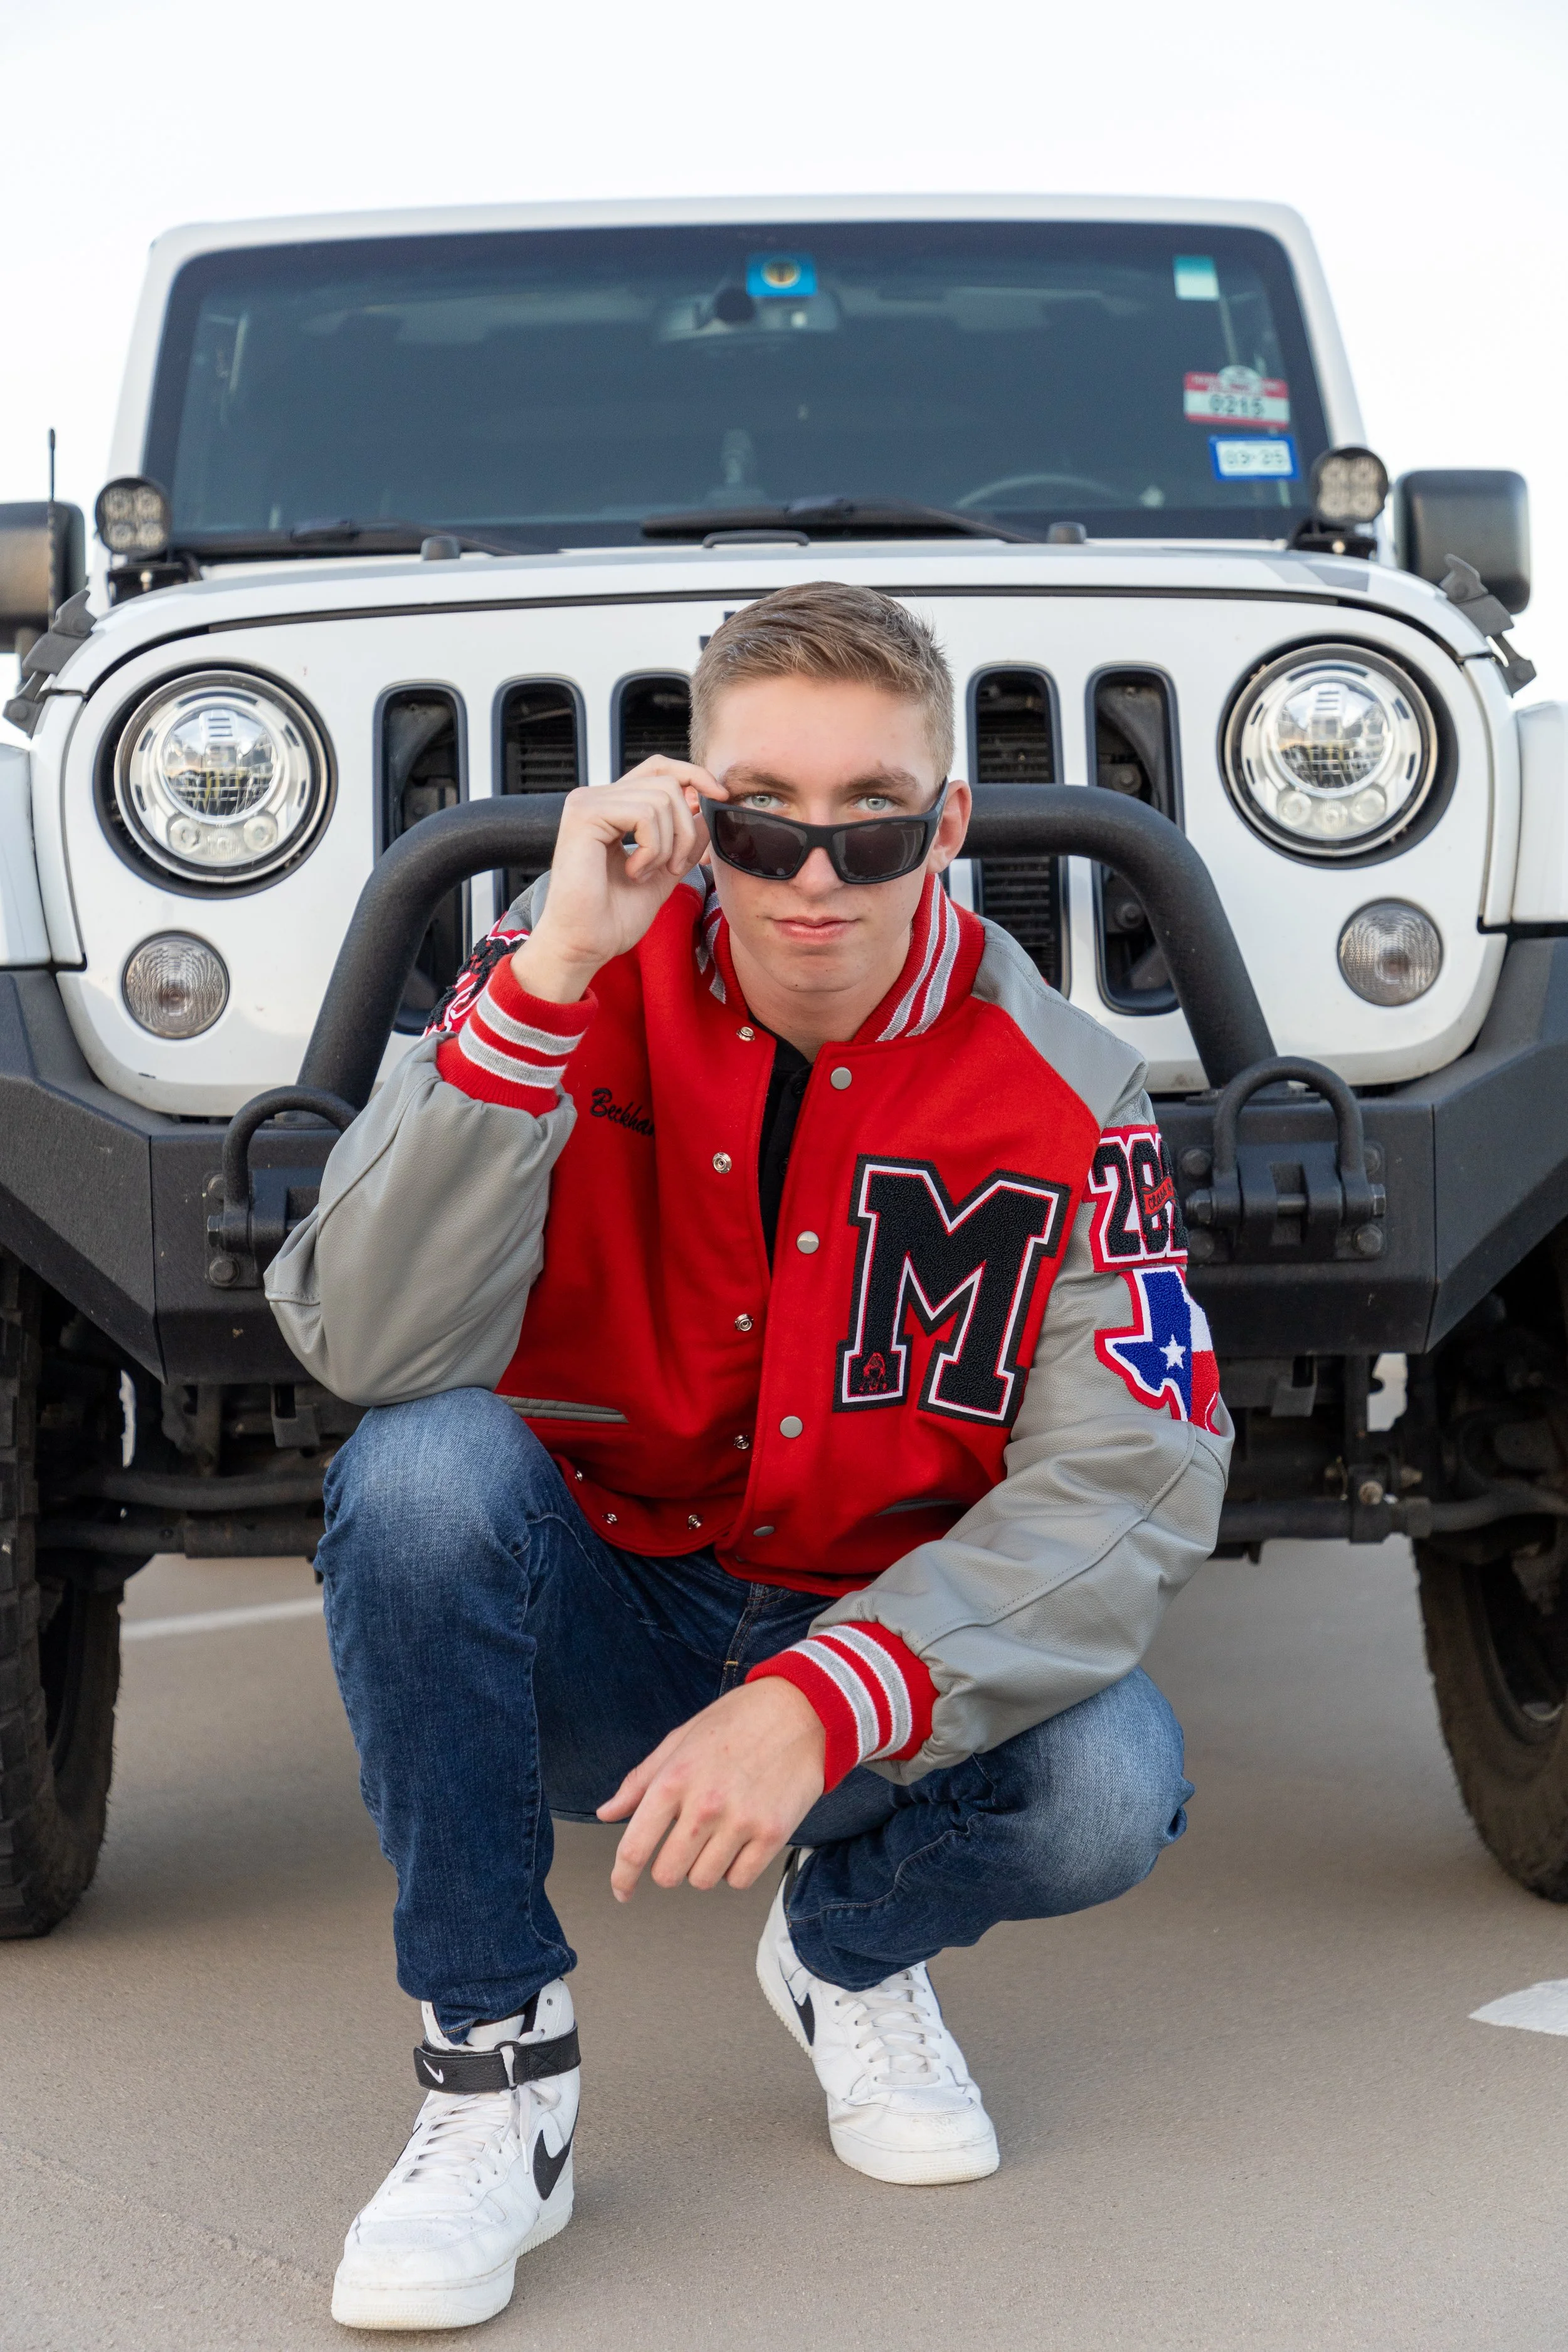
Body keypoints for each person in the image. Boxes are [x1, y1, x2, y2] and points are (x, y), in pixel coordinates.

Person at [267, 581, 1231, 2333]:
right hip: (604, 1617)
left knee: (1106, 1784)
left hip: (862, 1644)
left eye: (870, 823)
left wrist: (829, 1696)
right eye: (764, 817)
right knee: (420, 1471)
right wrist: (551, 970)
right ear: (695, 808)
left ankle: (846, 1947)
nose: (812, 876)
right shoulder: (555, 982)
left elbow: (1138, 1477)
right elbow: (361, 1340)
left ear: (944, 822)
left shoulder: (1071, 1087)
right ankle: (496, 2072)